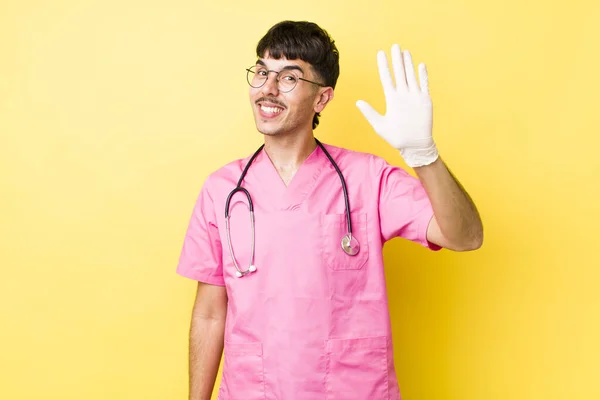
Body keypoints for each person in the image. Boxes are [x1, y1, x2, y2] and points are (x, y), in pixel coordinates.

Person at [176, 20, 483, 400]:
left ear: (321, 98)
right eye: (261, 72)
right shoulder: (222, 190)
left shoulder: (369, 179)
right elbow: (209, 315)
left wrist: (423, 155)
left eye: (288, 78)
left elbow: (465, 236)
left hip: (351, 389)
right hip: (254, 390)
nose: (267, 89)